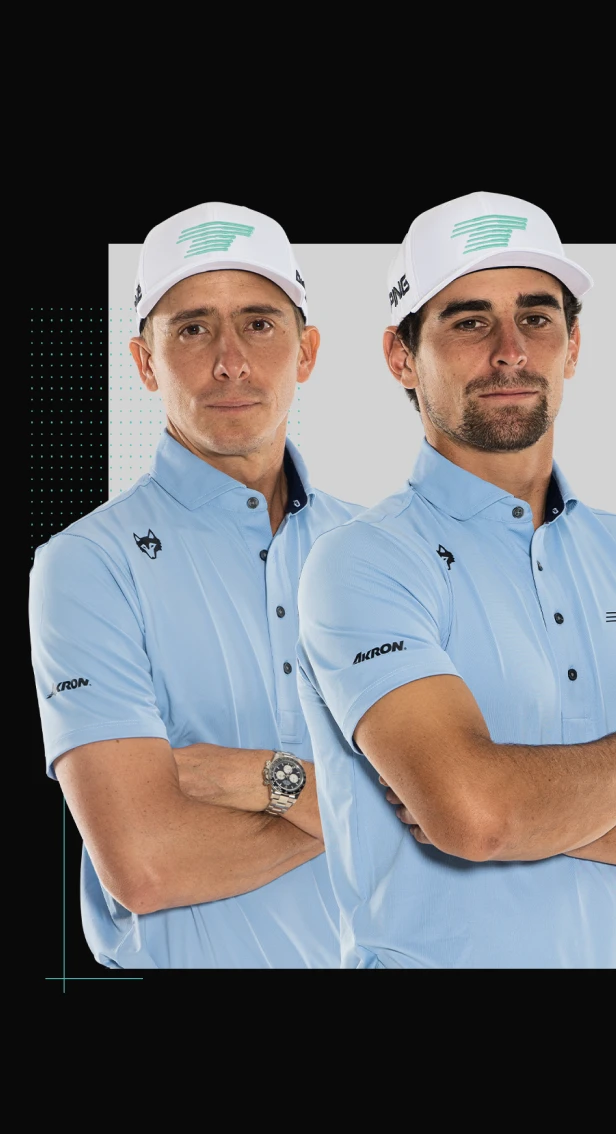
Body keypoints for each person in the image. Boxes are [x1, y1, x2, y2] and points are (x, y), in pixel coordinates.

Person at [295, 192, 616, 968]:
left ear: (573, 346)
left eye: (537, 317)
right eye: (468, 321)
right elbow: (477, 815)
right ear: (399, 356)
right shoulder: (363, 561)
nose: (511, 350)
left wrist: (531, 815)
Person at [30, 202, 360, 968]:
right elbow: (147, 864)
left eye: (259, 323)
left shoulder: (388, 548)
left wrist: (256, 777)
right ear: (144, 362)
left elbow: (465, 813)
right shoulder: (87, 564)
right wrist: (365, 799)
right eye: (191, 328)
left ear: (306, 351)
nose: (230, 362)